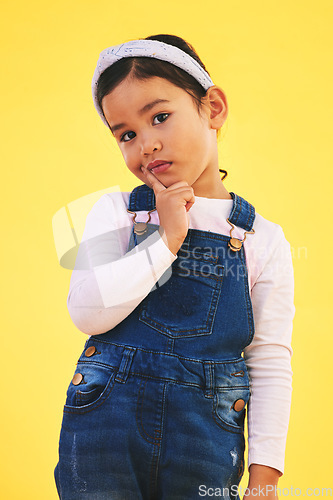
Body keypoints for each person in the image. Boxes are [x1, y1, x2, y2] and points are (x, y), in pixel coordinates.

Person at [54, 34, 295, 500]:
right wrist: (166, 240)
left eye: (159, 116)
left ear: (213, 109)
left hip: (204, 441)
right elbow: (87, 312)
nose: (146, 144)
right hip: (104, 433)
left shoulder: (261, 240)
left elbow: (269, 361)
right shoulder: (118, 212)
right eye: (126, 134)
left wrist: (265, 480)